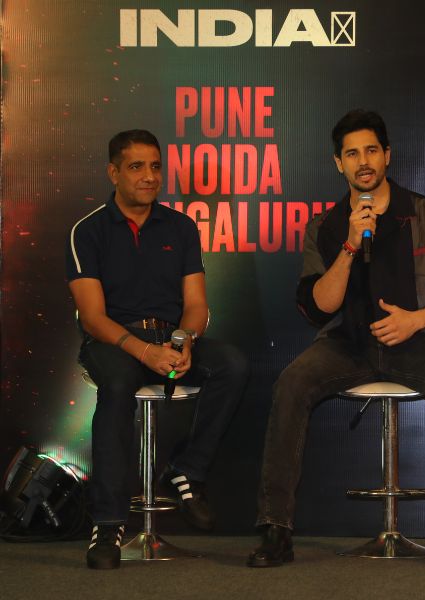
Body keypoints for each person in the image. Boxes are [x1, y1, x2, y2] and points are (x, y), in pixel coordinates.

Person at [248, 109, 425, 571]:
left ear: (387, 155)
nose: (362, 161)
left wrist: (416, 321)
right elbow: (317, 307)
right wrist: (349, 244)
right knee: (291, 384)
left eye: (370, 151)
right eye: (351, 154)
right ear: (337, 163)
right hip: (347, 344)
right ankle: (275, 530)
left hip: (420, 342)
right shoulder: (324, 226)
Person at [66, 129, 249, 569]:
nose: (149, 176)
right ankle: (108, 523)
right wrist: (145, 352)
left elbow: (197, 305)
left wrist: (183, 342)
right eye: (136, 167)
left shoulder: (180, 227)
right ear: (113, 173)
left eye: (155, 166)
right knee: (117, 385)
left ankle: (187, 471)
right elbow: (92, 317)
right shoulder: (88, 231)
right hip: (112, 342)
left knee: (233, 365)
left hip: (169, 339)